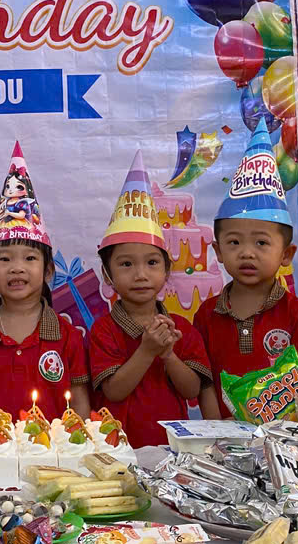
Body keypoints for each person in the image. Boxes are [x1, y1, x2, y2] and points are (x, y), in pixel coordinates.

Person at [194, 122, 298, 418]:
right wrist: (217, 431)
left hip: (284, 435)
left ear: (286, 255)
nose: (247, 252)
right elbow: (204, 383)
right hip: (222, 437)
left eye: (261, 242)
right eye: (234, 242)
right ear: (218, 252)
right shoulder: (206, 314)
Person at [88, 150, 212, 447]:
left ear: (167, 270)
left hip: (172, 449)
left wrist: (168, 354)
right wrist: (147, 350)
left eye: (152, 263)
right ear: (107, 274)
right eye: (126, 264)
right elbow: (114, 392)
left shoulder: (182, 328)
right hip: (118, 451)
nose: (140, 274)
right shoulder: (103, 331)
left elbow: (191, 391)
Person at [0, 142, 91, 420]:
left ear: (48, 271)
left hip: (53, 446)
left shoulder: (68, 336)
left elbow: (80, 400)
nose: (17, 268)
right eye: (5, 259)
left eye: (30, 258)